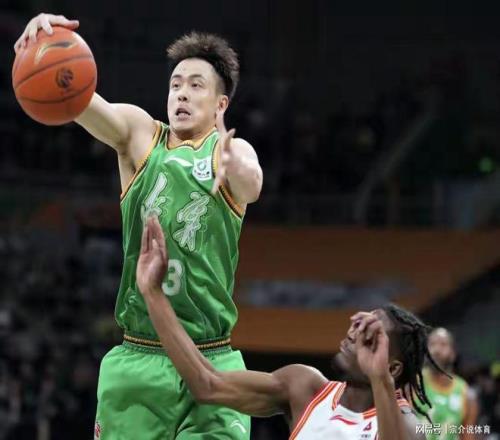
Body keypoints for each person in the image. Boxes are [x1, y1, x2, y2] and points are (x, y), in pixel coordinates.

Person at [15, 14, 263, 440]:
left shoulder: (230, 149)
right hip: (140, 359)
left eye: (196, 85)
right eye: (175, 84)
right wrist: (42, 48)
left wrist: (232, 161)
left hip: (212, 359)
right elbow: (78, 98)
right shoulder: (141, 136)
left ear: (221, 105)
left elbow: (252, 184)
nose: (182, 93)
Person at [136, 216, 443, 440]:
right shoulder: (305, 388)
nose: (355, 334)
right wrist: (153, 294)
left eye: (370, 337)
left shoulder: (408, 425)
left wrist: (380, 379)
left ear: (392, 368)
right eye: (361, 324)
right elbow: (208, 384)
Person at [419, 328, 479, 440]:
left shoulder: (465, 393)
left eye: (443, 344)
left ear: (453, 354)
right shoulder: (412, 383)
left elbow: (468, 435)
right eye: (432, 344)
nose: (436, 350)